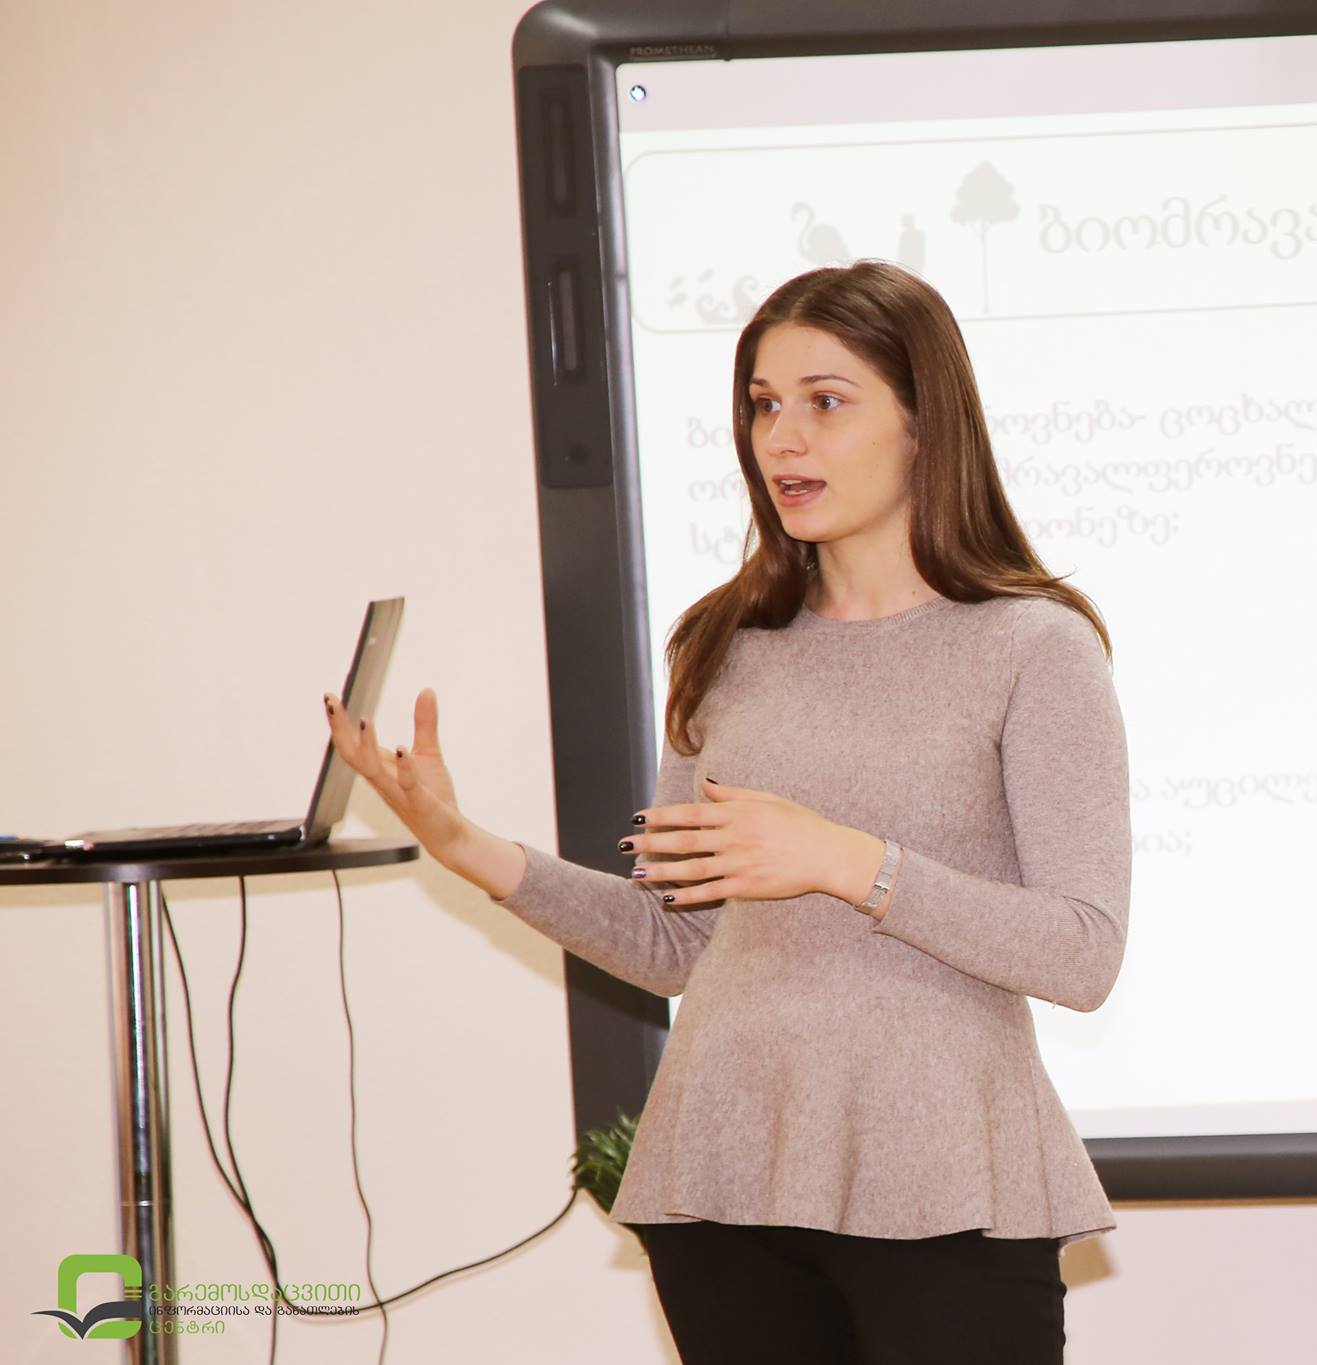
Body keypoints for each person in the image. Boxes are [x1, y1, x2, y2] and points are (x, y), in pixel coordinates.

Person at [322, 259, 1132, 1364]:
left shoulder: (1034, 646)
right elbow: (676, 943)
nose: (782, 439)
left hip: (945, 1183)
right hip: (722, 1179)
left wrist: (847, 860)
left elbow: (1081, 952)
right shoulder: (728, 644)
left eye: (825, 401)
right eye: (762, 405)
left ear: (922, 423)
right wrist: (469, 849)